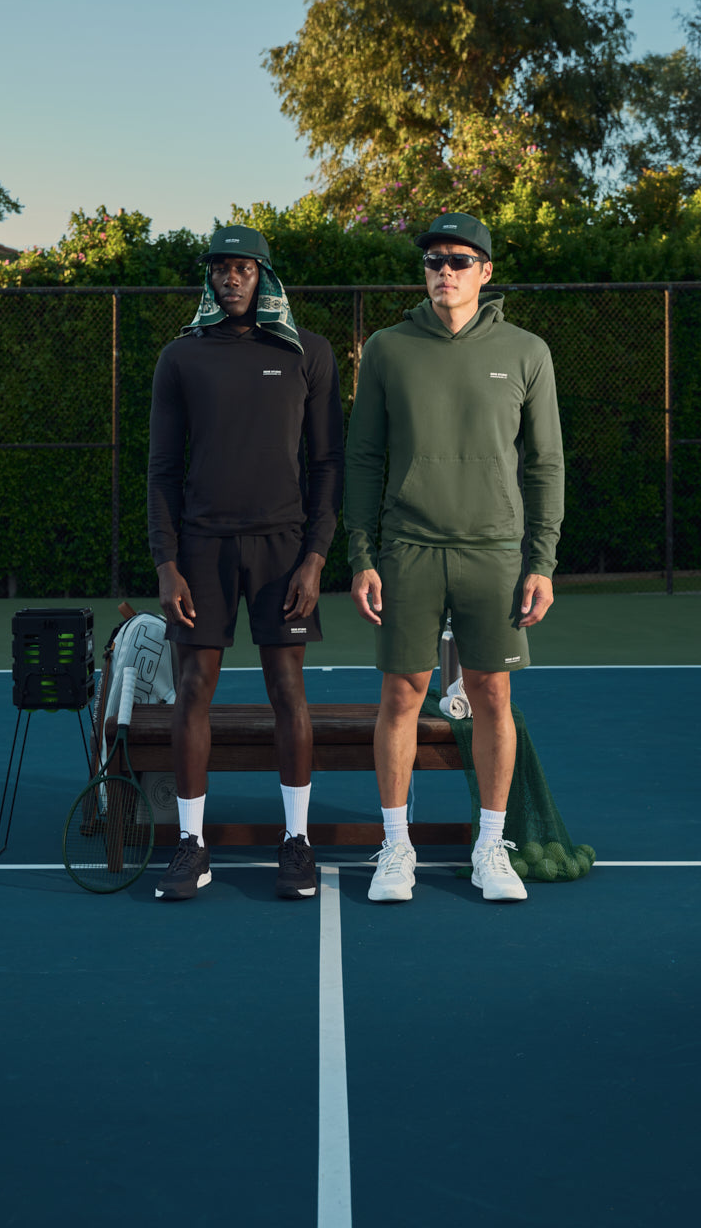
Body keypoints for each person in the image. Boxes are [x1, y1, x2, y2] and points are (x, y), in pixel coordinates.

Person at [345, 212, 564, 903]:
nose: (445, 271)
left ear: (486, 272)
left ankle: (489, 847)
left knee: (492, 694)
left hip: (496, 554)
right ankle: (396, 847)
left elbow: (545, 465)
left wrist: (542, 561)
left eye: (460, 261)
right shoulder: (385, 348)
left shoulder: (528, 351)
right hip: (407, 550)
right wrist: (361, 554)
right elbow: (364, 458)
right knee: (401, 695)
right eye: (435, 261)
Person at [147, 224, 343, 901]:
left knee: (287, 690)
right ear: (209, 278)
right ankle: (190, 845)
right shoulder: (181, 357)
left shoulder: (306, 354)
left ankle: (297, 842)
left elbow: (326, 465)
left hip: (283, 549)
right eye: (221, 269)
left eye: (244, 269)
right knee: (194, 689)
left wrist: (316, 556)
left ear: (265, 277)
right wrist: (166, 563)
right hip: (201, 548)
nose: (231, 279)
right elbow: (163, 470)